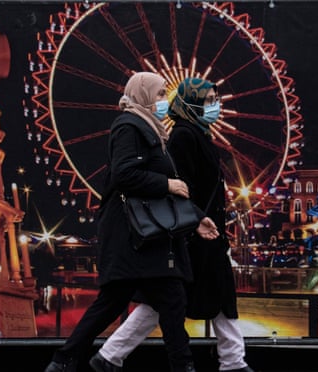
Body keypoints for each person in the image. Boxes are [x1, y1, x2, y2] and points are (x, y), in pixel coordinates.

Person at [44, 72, 219, 372]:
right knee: (133, 302)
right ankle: (68, 361)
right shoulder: (128, 126)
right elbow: (124, 175)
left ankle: (67, 361)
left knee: (156, 301)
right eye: (161, 93)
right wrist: (168, 184)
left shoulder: (151, 131)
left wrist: (197, 219)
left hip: (147, 238)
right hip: (135, 238)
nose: (165, 100)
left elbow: (159, 193)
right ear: (143, 94)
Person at [89, 78, 254, 372]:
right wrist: (195, 221)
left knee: (205, 296)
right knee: (170, 299)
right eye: (208, 100)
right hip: (194, 233)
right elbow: (180, 185)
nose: (215, 106)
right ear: (190, 103)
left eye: (216, 99)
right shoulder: (183, 137)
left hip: (204, 231)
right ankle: (232, 361)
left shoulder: (197, 135)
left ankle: (110, 356)